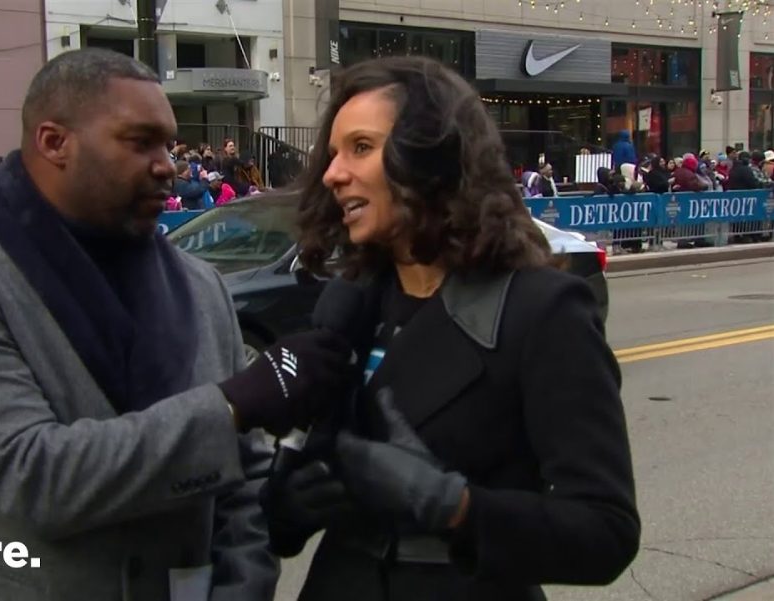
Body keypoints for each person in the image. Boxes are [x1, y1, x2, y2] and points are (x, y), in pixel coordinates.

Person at [0, 47, 354, 600]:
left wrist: (241, 586)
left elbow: (240, 485)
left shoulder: (201, 286)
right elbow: (19, 480)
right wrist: (230, 405)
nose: (167, 164)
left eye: (169, 144)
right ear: (54, 142)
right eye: (140, 141)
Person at [261, 56, 640, 600]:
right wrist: (289, 507)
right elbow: (291, 505)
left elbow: (606, 532)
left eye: (361, 148)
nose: (332, 173)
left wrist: (457, 506)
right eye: (334, 152)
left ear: (432, 158)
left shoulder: (543, 311)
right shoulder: (349, 305)